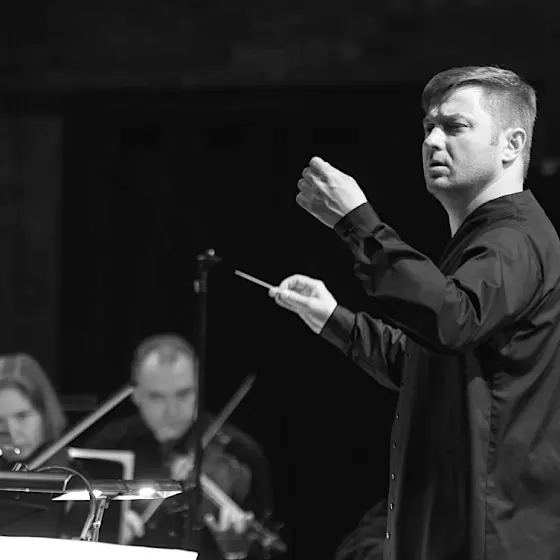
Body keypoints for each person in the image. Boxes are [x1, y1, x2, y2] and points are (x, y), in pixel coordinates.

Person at [269, 66, 560, 559]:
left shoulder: (515, 239)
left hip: (490, 538)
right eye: (429, 127)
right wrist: (330, 316)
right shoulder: (488, 241)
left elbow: (451, 320)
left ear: (511, 145)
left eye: (455, 126)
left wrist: (358, 223)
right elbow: (421, 361)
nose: (432, 141)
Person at [84, 334, 275, 560]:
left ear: (198, 389)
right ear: (136, 395)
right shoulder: (107, 447)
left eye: (183, 394)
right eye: (157, 397)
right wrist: (106, 531)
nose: (172, 411)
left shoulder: (240, 452)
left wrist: (238, 551)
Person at [0, 353, 75, 537]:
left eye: (22, 416)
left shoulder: (74, 476)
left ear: (45, 414)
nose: (12, 433)